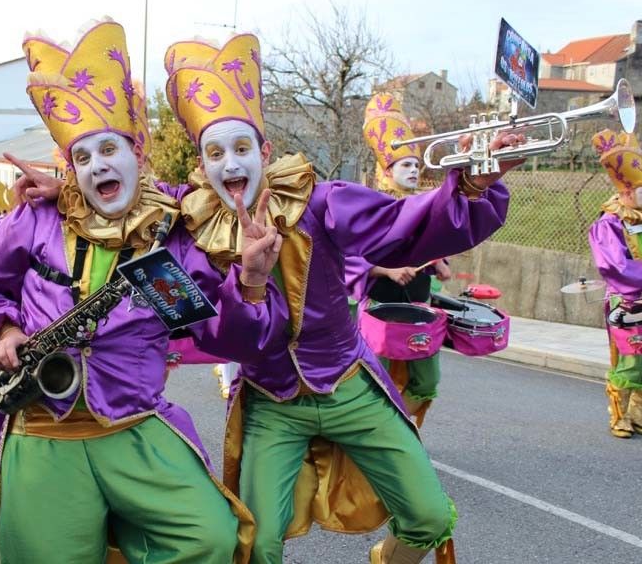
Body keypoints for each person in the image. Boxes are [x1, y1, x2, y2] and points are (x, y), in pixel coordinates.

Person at [160, 33, 517, 564]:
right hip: (272, 402)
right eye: (216, 153)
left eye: (241, 148)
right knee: (257, 543)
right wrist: (250, 281)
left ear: (265, 152)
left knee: (429, 517)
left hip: (349, 386)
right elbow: (217, 335)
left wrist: (469, 187)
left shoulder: (322, 203)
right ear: (202, 165)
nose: (231, 164)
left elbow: (404, 226)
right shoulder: (193, 236)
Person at [0, 19, 286, 564]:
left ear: (137, 152)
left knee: (210, 539)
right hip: (44, 427)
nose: (98, 165)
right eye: (82, 158)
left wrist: (250, 280)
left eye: (109, 149)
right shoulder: (36, 220)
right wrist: (3, 329)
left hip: (133, 426)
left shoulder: (172, 237)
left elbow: (225, 337)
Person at [344, 93, 453, 425]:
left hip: (419, 308)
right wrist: (387, 271)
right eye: (406, 164)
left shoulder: (421, 206)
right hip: (380, 308)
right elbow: (347, 257)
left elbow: (431, 249)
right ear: (386, 169)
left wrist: (440, 263)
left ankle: (398, 428)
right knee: (377, 382)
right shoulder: (370, 207)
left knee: (427, 381)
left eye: (417, 165)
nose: (414, 171)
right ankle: (377, 435)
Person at [588, 129, 642, 439]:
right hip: (628, 299)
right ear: (625, 190)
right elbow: (613, 264)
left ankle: (638, 412)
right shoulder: (610, 221)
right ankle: (619, 414)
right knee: (629, 358)